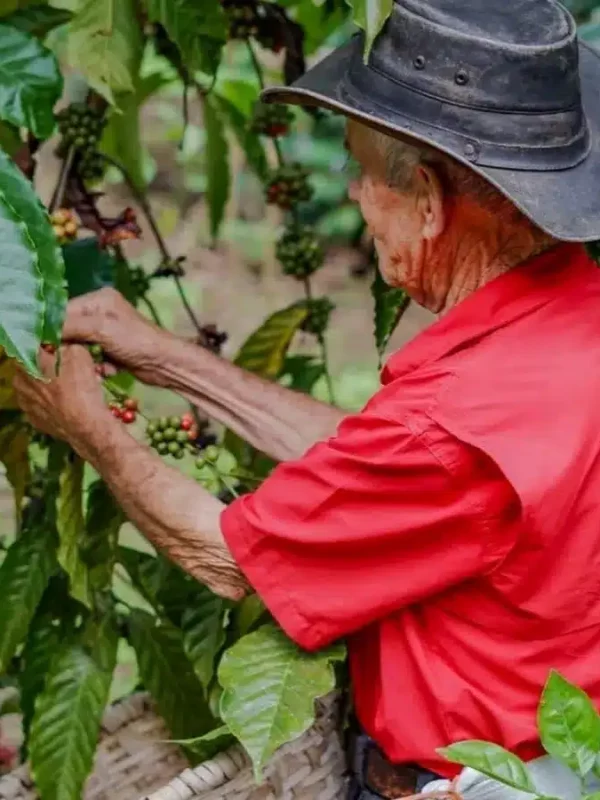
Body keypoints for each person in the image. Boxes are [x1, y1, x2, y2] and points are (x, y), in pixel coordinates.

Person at [14, 0, 600, 797]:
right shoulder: (569, 317)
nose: (355, 195)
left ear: (428, 202)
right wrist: (169, 358)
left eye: (362, 172)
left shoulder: (454, 426)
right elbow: (389, 469)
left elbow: (232, 559)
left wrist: (83, 424)